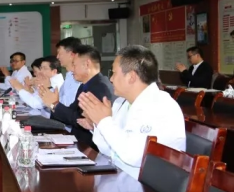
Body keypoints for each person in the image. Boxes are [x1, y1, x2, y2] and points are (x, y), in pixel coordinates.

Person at [76, 45, 186, 179]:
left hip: (147, 186)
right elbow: (109, 151)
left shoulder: (160, 106)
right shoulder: (121, 102)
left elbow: (133, 156)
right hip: (122, 176)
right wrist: (97, 124)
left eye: (114, 73)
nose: (111, 79)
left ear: (131, 77)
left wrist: (104, 122)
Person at [39, 45, 113, 148]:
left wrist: (55, 104)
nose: (72, 70)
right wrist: (52, 104)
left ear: (87, 64)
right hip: (77, 141)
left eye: (74, 65)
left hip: (90, 147)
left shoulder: (100, 87)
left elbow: (81, 120)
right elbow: (71, 112)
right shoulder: (85, 85)